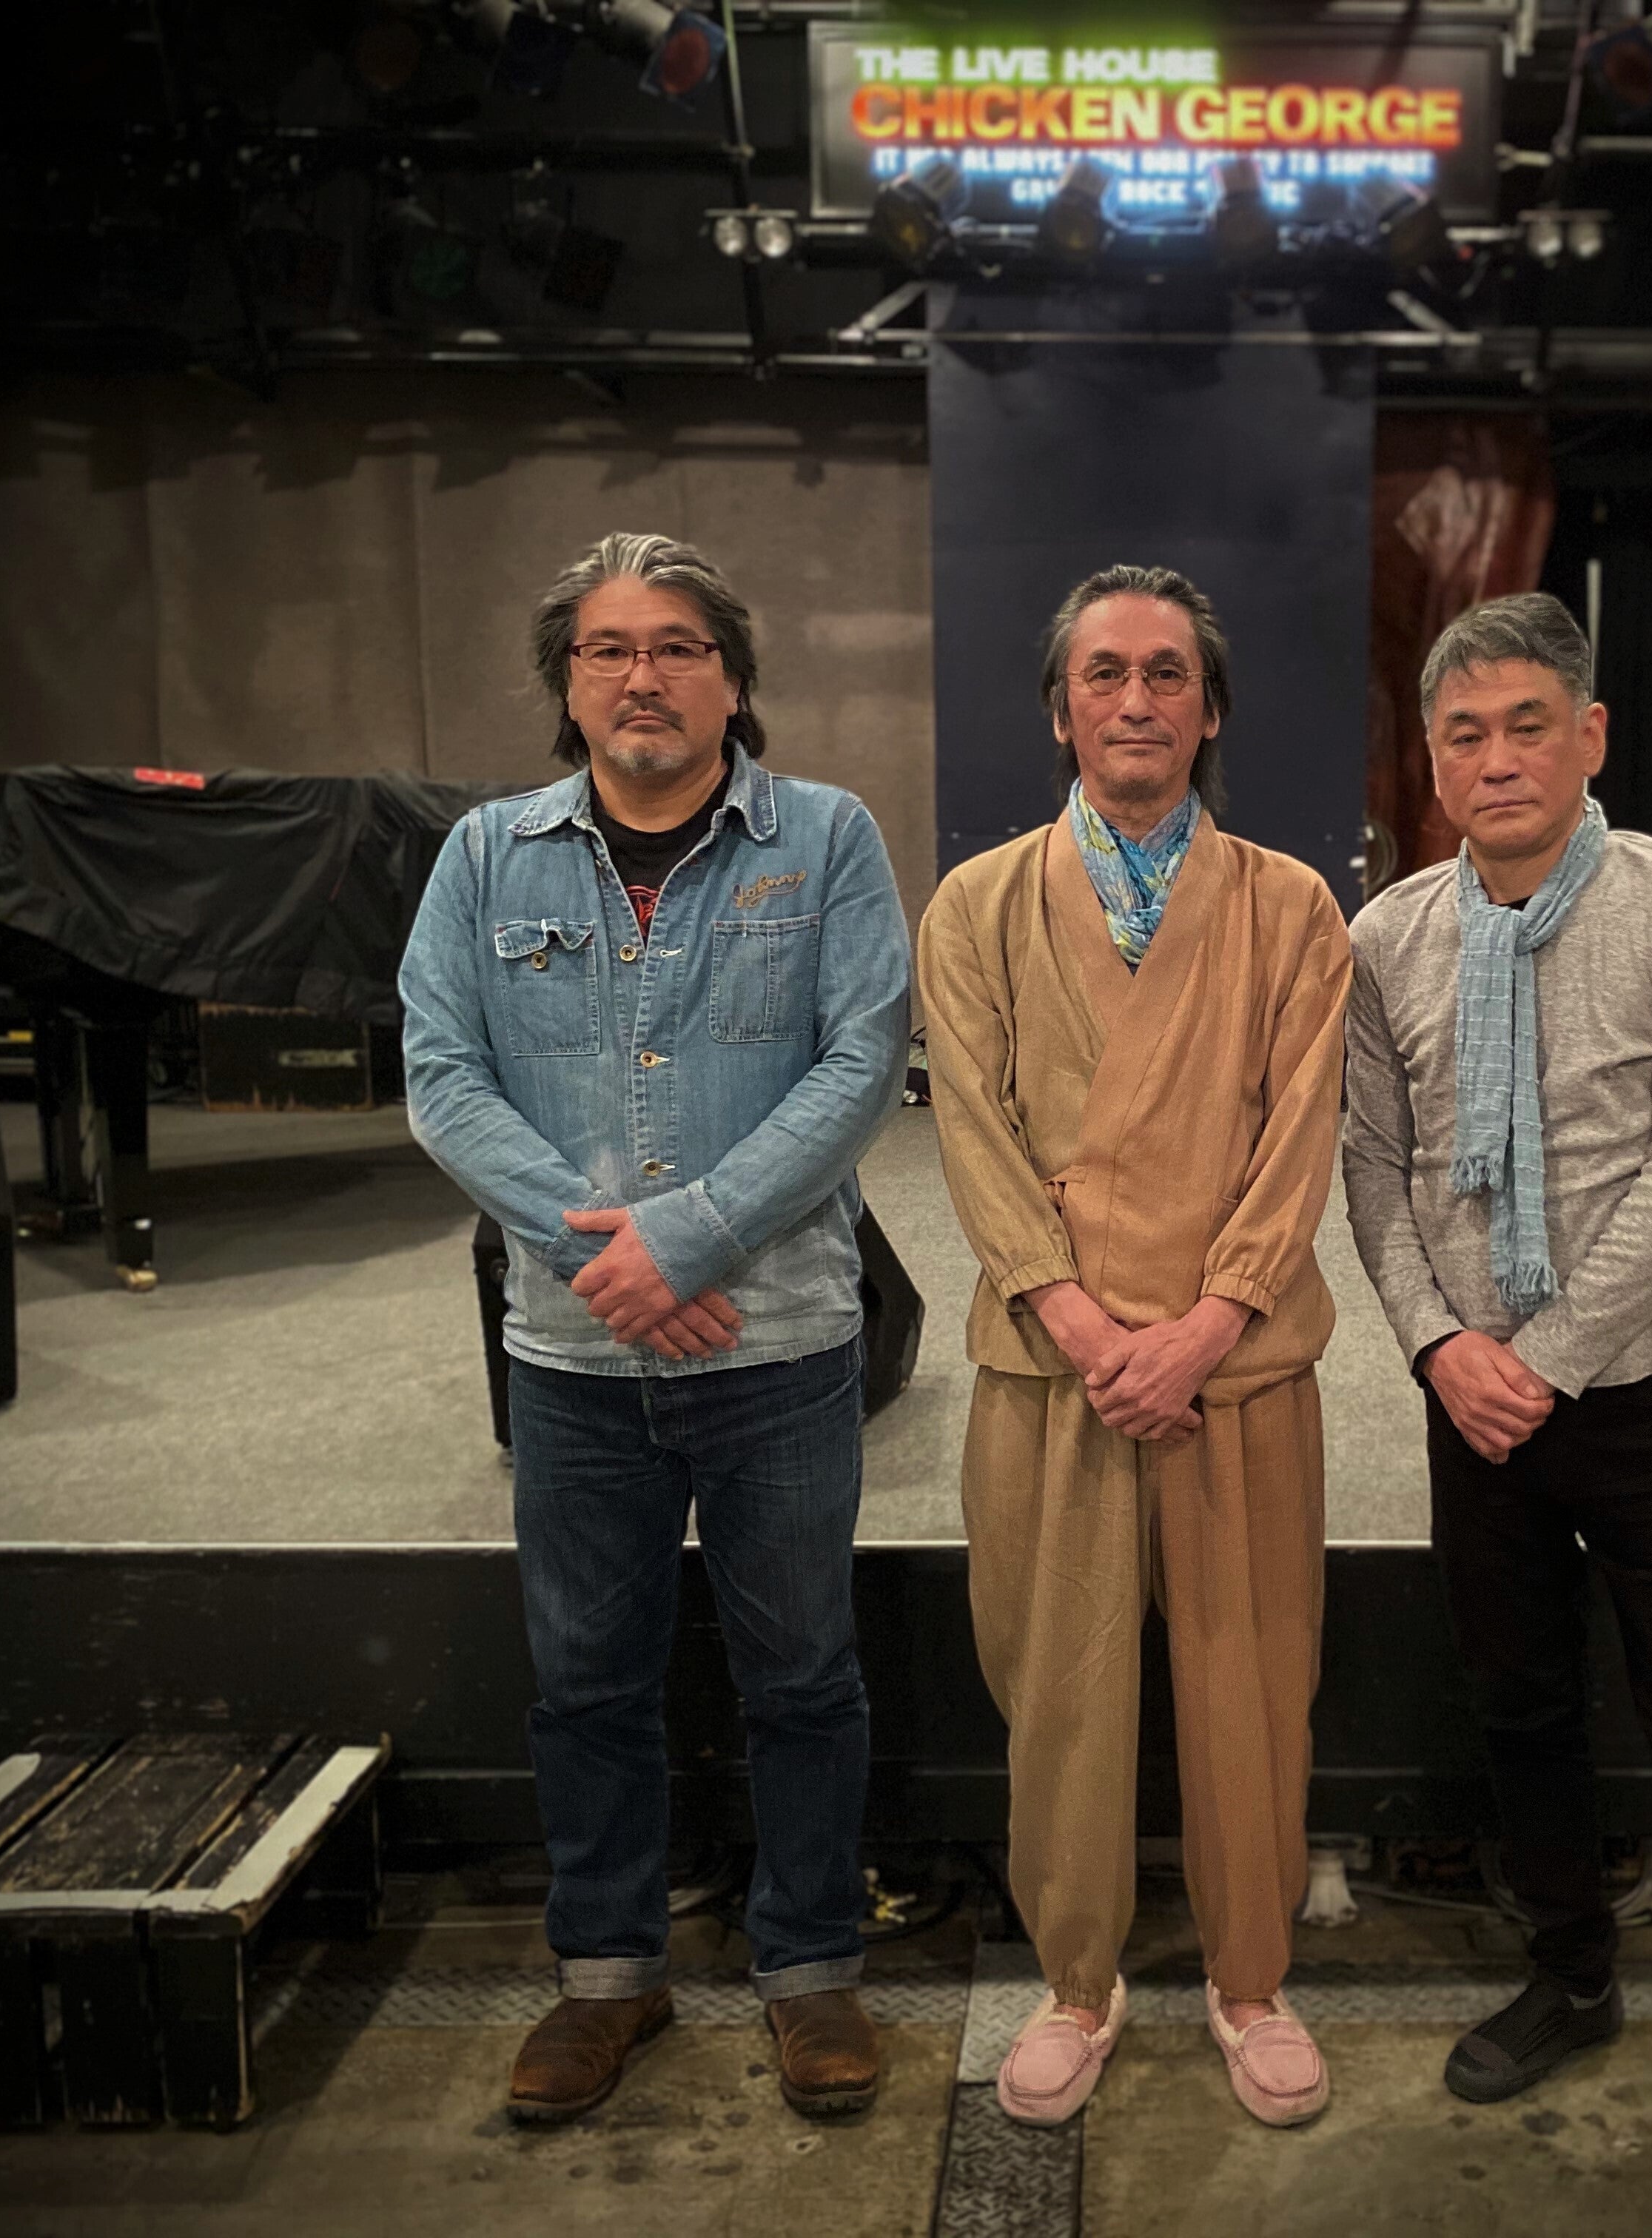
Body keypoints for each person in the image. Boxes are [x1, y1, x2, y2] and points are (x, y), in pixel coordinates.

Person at [400, 531, 910, 2126]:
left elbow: (862, 1060)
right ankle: (607, 1978)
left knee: (803, 1676)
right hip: (574, 1357)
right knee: (584, 1686)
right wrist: (597, 1253)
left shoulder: (825, 839)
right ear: (567, 685)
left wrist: (685, 1240)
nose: (643, 675)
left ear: (733, 679)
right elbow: (440, 1076)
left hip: (780, 1345)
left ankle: (809, 1968)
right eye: (609, 648)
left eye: (679, 645)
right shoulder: (484, 858)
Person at [1338, 591, 1652, 2196]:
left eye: (1526, 726)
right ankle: (1569, 1973)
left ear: (1589, 736)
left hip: (1648, 1393)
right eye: (1463, 735)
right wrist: (1437, 1349)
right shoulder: (1387, 937)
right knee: (1520, 1704)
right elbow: (1374, 1167)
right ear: (1430, 763)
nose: (1495, 760)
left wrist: (1537, 1363)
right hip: (1470, 1403)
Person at [915, 565, 1351, 2130]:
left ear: (1209, 709)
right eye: (1103, 674)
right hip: (1060, 1366)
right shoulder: (975, 907)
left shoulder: (1291, 908)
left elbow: (1300, 1138)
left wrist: (1211, 1318)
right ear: (1059, 711)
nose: (1135, 701)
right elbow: (972, 1137)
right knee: (1062, 1689)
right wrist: (1086, 1321)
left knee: (1251, 1686)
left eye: (1167, 673)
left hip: (1234, 1366)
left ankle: (1251, 1983)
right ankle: (1073, 1984)